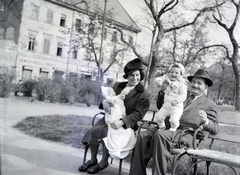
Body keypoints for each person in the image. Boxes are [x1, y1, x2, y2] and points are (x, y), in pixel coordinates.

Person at [129, 69, 219, 175]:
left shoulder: (209, 104)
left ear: (206, 87)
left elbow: (215, 129)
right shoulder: (181, 94)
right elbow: (161, 107)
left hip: (186, 134)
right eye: (193, 82)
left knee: (161, 135)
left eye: (199, 83)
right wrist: (162, 92)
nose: (195, 85)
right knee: (143, 136)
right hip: (168, 128)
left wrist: (206, 121)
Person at [79, 58, 151, 174]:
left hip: (126, 123)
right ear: (127, 76)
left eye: (137, 75)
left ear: (141, 75)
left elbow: (138, 114)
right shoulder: (118, 86)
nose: (135, 78)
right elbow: (107, 99)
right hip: (110, 117)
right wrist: (106, 103)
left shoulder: (144, 93)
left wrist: (122, 121)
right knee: (94, 130)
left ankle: (103, 161)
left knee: (106, 132)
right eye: (131, 75)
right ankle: (93, 159)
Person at [101, 86, 136, 159]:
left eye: (113, 91)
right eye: (111, 91)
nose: (113, 92)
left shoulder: (116, 98)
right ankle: (115, 149)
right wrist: (106, 100)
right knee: (112, 131)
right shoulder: (111, 97)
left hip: (124, 120)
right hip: (113, 119)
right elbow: (109, 99)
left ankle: (120, 148)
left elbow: (119, 97)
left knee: (125, 132)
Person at [154, 63, 187, 131]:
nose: (173, 74)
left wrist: (177, 100)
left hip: (176, 107)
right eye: (172, 72)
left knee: (173, 120)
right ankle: (162, 126)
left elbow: (183, 95)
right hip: (166, 106)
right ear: (169, 73)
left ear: (181, 75)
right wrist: (160, 82)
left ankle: (173, 129)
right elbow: (157, 79)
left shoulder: (182, 84)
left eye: (176, 73)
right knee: (158, 117)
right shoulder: (166, 79)